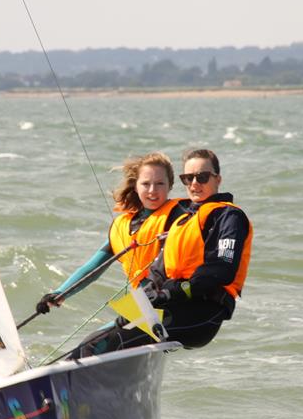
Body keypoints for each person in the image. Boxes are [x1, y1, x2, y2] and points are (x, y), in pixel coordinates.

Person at [66, 148, 253, 356]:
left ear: (218, 179)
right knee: (91, 344)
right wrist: (143, 302)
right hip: (174, 307)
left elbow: (222, 269)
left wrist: (171, 291)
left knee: (103, 346)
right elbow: (159, 272)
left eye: (202, 177)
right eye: (188, 178)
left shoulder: (229, 216)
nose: (194, 184)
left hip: (202, 313)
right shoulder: (184, 221)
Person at [35, 151, 185, 318]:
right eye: (145, 184)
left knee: (95, 342)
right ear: (135, 186)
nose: (152, 190)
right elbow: (93, 268)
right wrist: (60, 293)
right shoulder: (123, 226)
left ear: (170, 185)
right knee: (91, 343)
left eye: (160, 184)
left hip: (173, 305)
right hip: (143, 308)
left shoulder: (181, 215)